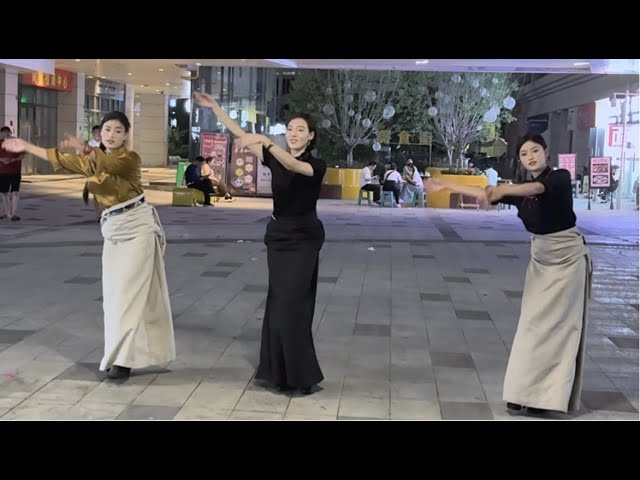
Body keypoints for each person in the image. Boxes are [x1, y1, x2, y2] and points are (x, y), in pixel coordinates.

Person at [427, 133, 592, 415]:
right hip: (541, 261)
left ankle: (546, 398)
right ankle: (522, 392)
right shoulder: (520, 191)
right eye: (524, 153)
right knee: (531, 326)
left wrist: (505, 190)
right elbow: (487, 194)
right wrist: (445, 183)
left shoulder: (560, 178)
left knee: (560, 329)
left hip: (568, 260)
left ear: (546, 152)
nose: (530, 156)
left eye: (535, 150)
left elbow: (537, 188)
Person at [2, 112, 176, 380]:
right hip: (113, 229)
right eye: (107, 129)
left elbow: (111, 166)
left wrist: (85, 148)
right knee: (114, 298)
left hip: (137, 228)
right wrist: (26, 146)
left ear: (126, 135)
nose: (111, 134)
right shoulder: (92, 161)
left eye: (118, 130)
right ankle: (121, 355)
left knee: (128, 298)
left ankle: (122, 361)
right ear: (100, 132)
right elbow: (62, 159)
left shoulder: (130, 159)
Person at [195, 91, 325, 394]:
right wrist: (216, 108)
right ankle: (277, 372)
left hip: (304, 238)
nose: (293, 134)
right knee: (279, 302)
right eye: (290, 129)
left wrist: (266, 142)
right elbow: (240, 133)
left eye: (300, 130)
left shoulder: (316, 165)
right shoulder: (275, 157)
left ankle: (300, 375)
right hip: (278, 237)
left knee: (294, 303)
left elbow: (294, 167)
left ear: (311, 137)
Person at [0, 126, 24, 221]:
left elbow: (23, 155)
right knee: (4, 192)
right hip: (2, 171)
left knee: (15, 192)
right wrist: (2, 159)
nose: (5, 134)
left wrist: (14, 159)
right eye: (3, 133)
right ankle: (7, 213)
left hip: (15, 171)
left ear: (10, 133)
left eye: (7, 132)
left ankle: (14, 214)